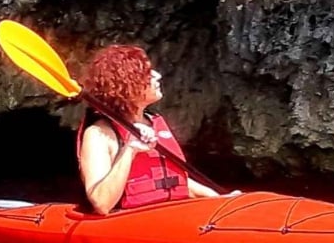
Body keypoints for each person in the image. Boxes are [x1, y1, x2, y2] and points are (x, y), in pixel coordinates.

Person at [76, 45, 226, 214]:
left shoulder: (154, 121)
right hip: (129, 223)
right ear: (127, 83)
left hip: (173, 216)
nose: (157, 75)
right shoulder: (99, 135)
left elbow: (180, 183)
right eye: (147, 73)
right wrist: (130, 149)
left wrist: (221, 201)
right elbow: (101, 203)